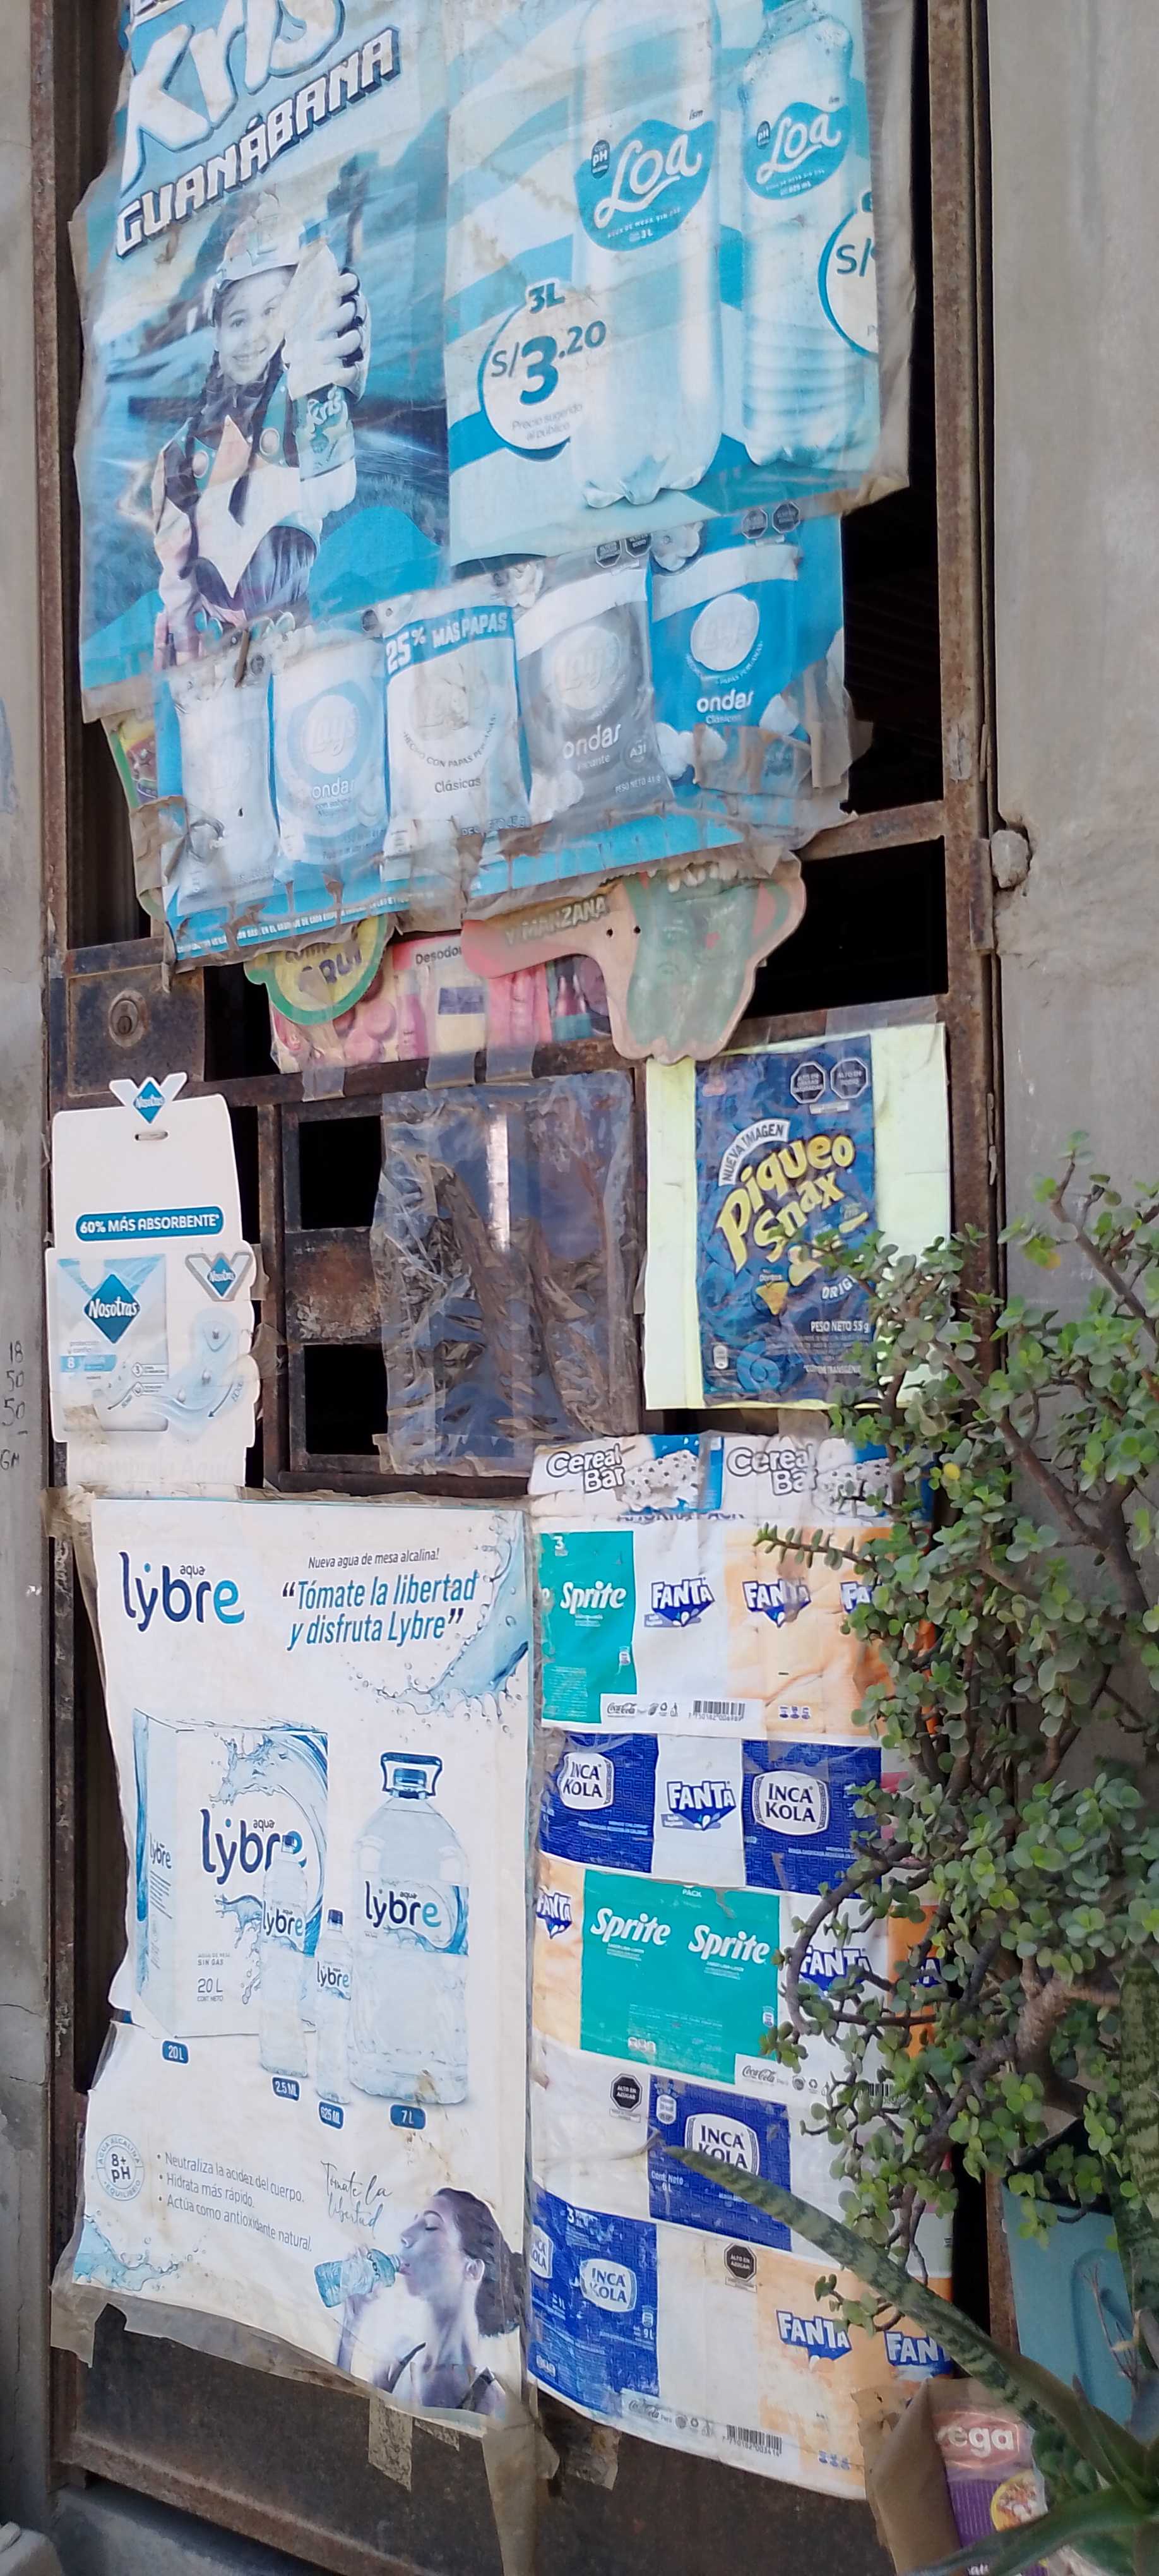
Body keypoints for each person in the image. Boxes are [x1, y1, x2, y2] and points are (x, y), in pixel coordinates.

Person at [152, 194, 369, 665]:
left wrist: (323, 382)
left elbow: (334, 488)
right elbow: (176, 573)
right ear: (216, 333)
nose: (253, 335)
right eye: (238, 319)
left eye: (273, 311)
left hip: (303, 647)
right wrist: (186, 652)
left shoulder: (303, 401)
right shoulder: (182, 450)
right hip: (225, 660)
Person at [336, 2188, 523, 2415]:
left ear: (473, 2269)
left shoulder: (491, 2403)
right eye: (414, 2222)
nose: (405, 2235)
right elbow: (345, 2422)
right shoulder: (399, 2361)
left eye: (431, 2227)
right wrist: (351, 2324)